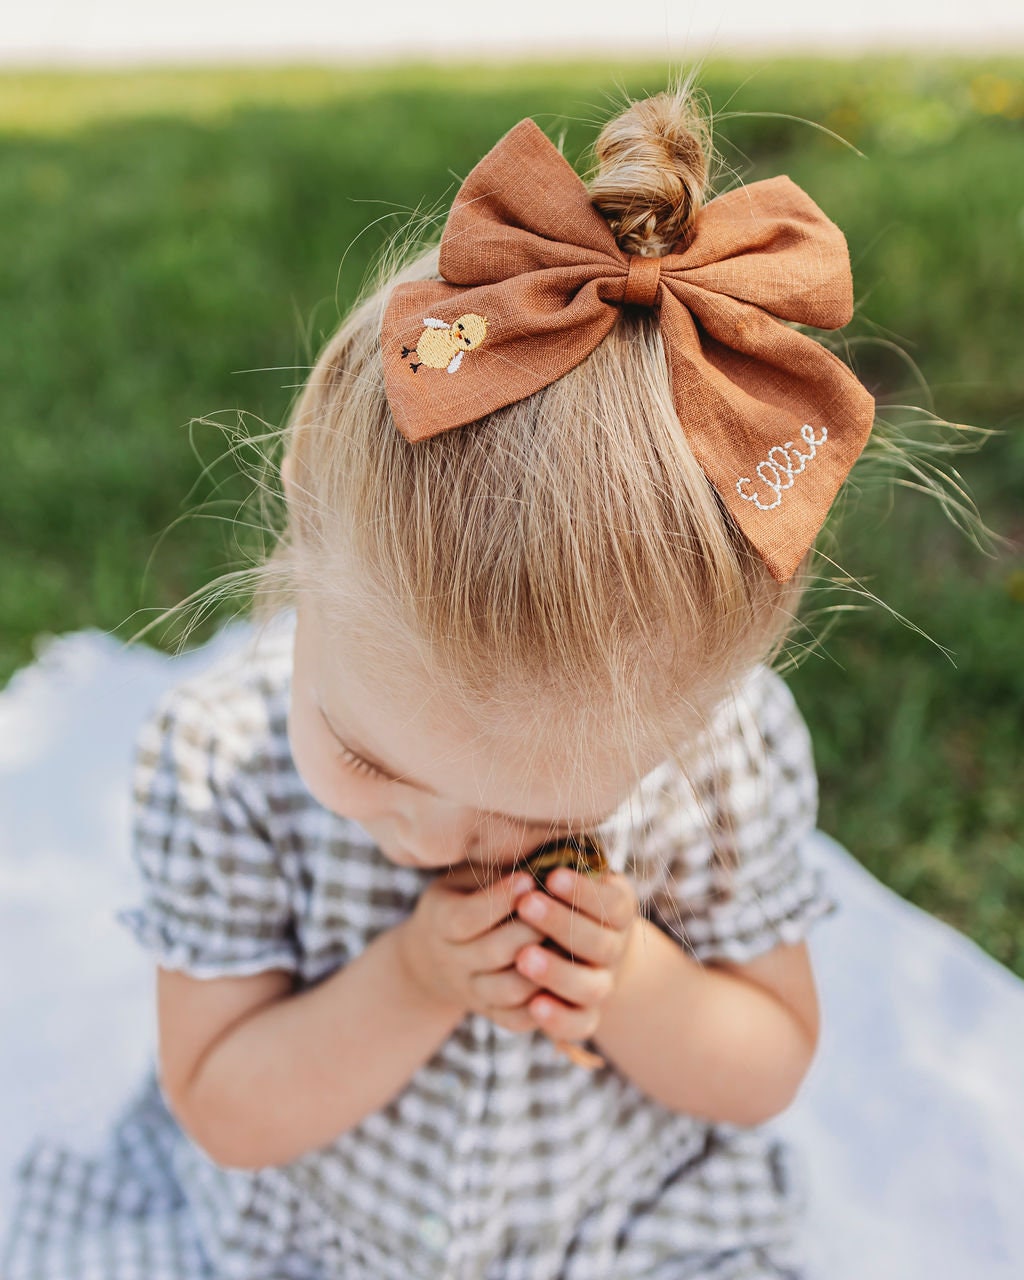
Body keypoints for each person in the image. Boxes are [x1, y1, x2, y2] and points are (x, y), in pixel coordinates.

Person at [3, 84, 879, 1279]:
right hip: (319, 1234)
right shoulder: (221, 767)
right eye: (368, 758)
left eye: (549, 817)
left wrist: (631, 981)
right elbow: (223, 1103)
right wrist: (413, 977)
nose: (433, 839)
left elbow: (767, 1061)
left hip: (624, 1230)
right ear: (302, 514)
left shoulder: (725, 758)